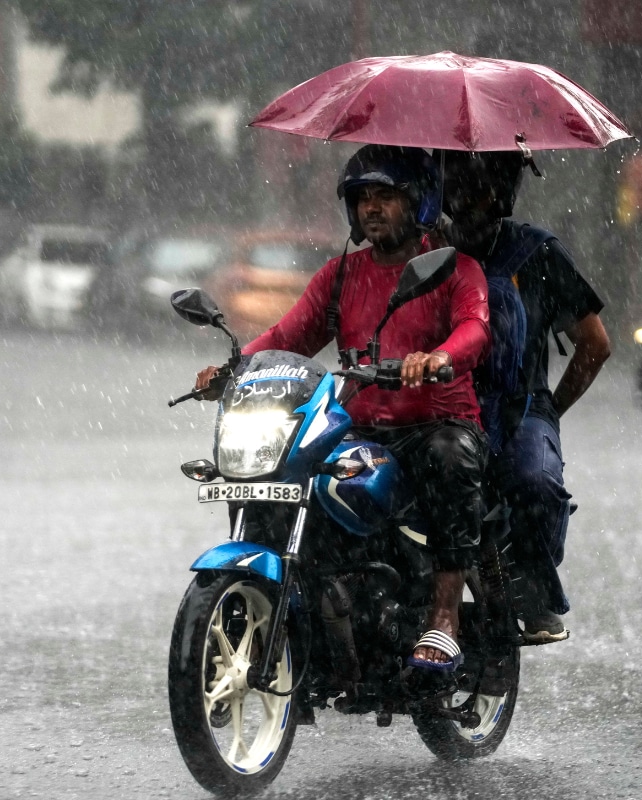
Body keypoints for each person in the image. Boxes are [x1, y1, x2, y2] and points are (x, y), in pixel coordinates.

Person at [196, 144, 490, 670]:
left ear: (419, 202)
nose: (372, 208)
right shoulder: (340, 276)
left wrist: (439, 356)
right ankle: (299, 610)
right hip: (362, 429)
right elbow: (289, 335)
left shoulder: (454, 269)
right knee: (282, 469)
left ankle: (444, 617)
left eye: (386, 196)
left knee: (451, 457)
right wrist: (233, 368)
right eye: (362, 198)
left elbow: (475, 329)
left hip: (436, 425)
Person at [435, 148, 611, 644]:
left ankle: (532, 591)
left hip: (521, 405)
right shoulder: (425, 252)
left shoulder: (538, 253)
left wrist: (550, 408)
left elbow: (594, 344)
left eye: (482, 187)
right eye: (458, 187)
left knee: (534, 482)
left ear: (503, 194)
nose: (468, 199)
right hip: (438, 404)